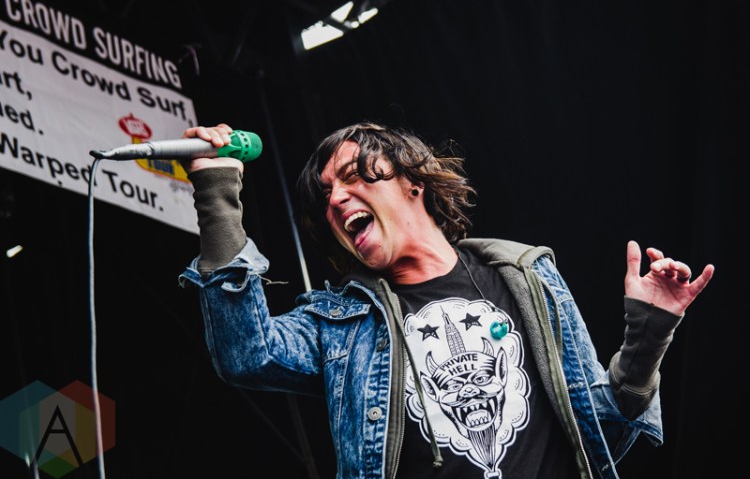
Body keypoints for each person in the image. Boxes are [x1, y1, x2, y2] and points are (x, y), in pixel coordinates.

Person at [178, 122, 714, 479]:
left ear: (412, 181)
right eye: (326, 196)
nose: (336, 199)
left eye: (351, 177)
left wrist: (649, 336)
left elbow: (601, 432)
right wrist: (217, 195)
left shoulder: (528, 277)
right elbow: (245, 353)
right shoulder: (341, 321)